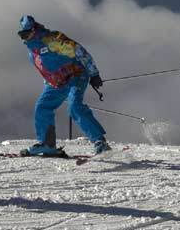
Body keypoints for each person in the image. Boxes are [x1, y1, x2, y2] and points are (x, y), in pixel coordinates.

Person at [17, 15, 110, 156]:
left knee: (74, 106)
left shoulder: (52, 40)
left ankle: (100, 142)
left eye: (26, 33)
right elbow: (46, 69)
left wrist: (94, 74)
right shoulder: (32, 50)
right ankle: (47, 144)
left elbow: (79, 51)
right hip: (57, 83)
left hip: (75, 76)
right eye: (21, 34)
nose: (24, 37)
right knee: (42, 107)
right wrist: (49, 83)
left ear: (34, 30)